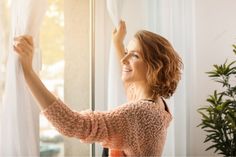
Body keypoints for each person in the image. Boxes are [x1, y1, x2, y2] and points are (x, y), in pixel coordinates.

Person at [13, 20, 182, 157]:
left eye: (135, 55)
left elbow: (71, 123)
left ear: (154, 67)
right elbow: (131, 88)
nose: (124, 59)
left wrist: (28, 72)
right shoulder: (156, 103)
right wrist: (117, 44)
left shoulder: (139, 113)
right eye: (126, 51)